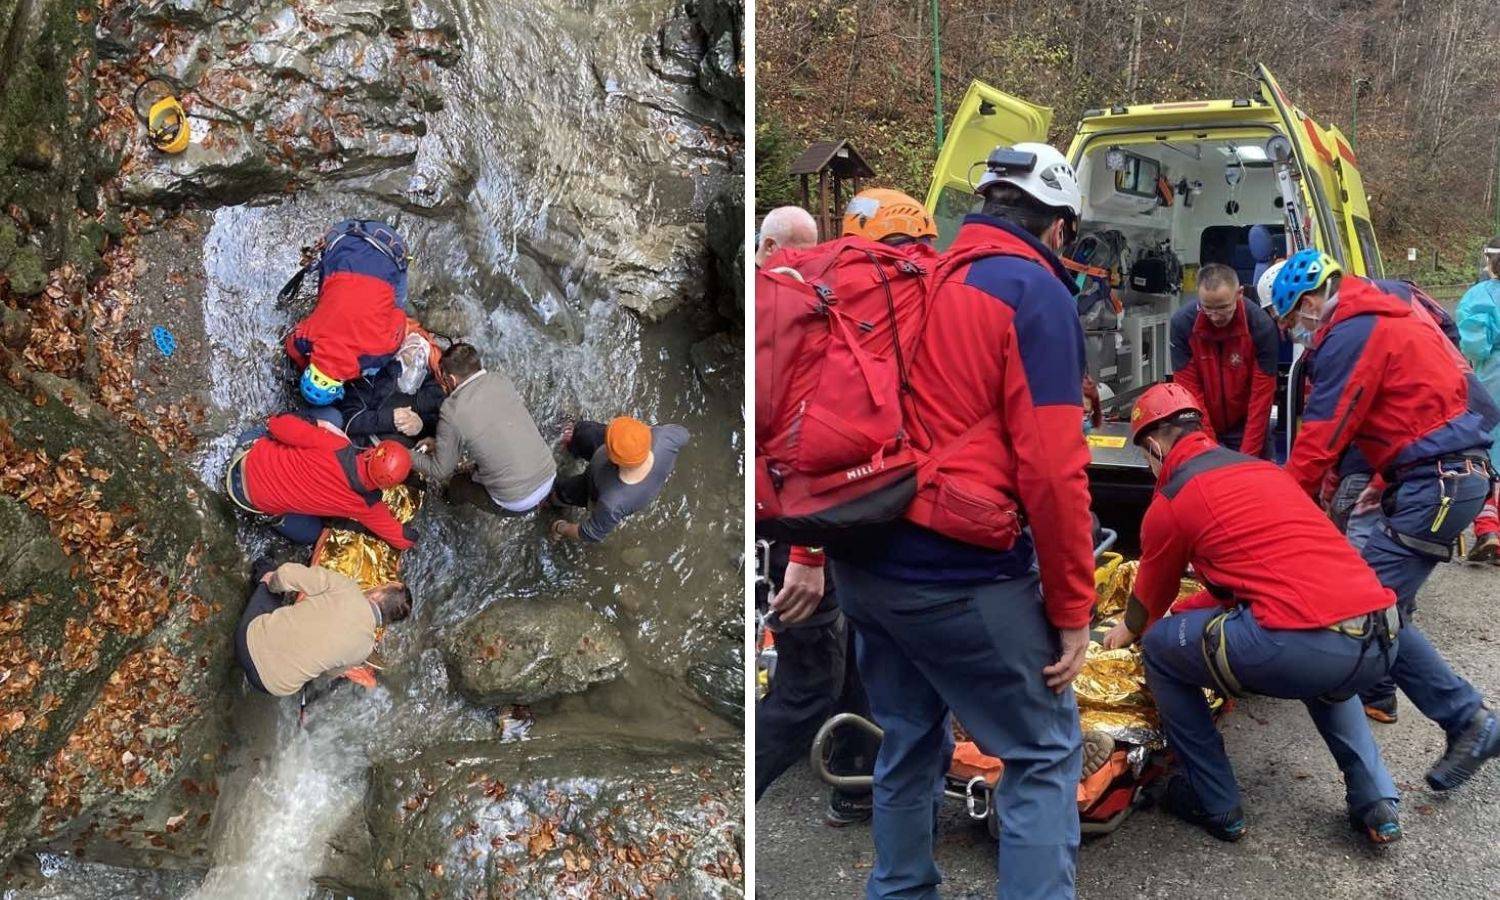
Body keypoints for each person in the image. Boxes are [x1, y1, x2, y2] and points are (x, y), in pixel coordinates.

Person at [827, 142, 1094, 900]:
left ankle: (899, 889)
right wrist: (1073, 608)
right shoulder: (1032, 292)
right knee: (1042, 755)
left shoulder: (914, 276)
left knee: (910, 739)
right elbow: (1051, 469)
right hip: (957, 575)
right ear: (1057, 228)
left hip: (866, 561)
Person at [1101, 383, 1402, 844]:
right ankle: (1376, 804)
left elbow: (1149, 597)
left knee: (1161, 649)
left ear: (1156, 444)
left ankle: (1215, 801)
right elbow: (1247, 583)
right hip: (1377, 634)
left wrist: (1128, 629)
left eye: (1145, 454)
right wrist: (1190, 608)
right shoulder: (1264, 471)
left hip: (1301, 646)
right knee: (1327, 668)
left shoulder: (1175, 497)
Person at [1272, 249, 1500, 790]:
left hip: (1436, 482)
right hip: (1434, 477)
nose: (1294, 334)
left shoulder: (1352, 332)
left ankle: (1468, 718)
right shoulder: (1387, 310)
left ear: (1308, 303)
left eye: (1290, 322)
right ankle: (1463, 717)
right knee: (1380, 607)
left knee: (1366, 609)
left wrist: (1270, 507)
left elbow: (1321, 437)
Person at [755, 542, 880, 826]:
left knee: (854, 635)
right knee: (807, 694)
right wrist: (807, 553)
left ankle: (856, 778)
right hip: (797, 541)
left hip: (837, 533)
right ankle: (740, 793)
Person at [226, 412, 416, 549]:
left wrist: (318, 424)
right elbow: (402, 539)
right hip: (247, 501)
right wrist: (414, 536)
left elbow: (277, 424)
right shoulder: (367, 506)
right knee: (313, 534)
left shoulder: (336, 445)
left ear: (371, 451)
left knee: (332, 418)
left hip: (244, 457)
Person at [409, 342, 555, 517]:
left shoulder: (452, 410)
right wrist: (441, 443)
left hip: (517, 500)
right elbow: (487, 429)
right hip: (548, 473)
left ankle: (449, 501)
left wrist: (406, 454)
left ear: (452, 379)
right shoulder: (500, 380)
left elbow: (441, 470)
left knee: (458, 483)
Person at [236, 559, 411, 697]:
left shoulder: (346, 587)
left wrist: (271, 581)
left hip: (249, 643)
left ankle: (259, 577)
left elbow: (286, 575)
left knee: (268, 570)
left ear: (379, 593)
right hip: (273, 686)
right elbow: (330, 672)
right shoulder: (365, 649)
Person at [285, 221, 411, 407]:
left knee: (398, 304)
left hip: (392, 249)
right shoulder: (307, 339)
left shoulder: (378, 354)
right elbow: (291, 346)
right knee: (328, 290)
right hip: (344, 235)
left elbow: (400, 318)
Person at [1168, 263, 1279, 457]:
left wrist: (1247, 458)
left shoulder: (1261, 327)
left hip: (1248, 426)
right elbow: (1190, 395)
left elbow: (1261, 399)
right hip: (1201, 425)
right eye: (1208, 308)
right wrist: (1210, 452)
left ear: (1239, 294)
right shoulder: (1183, 325)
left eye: (1223, 308)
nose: (1216, 316)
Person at [549, 416, 689, 543]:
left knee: (561, 493)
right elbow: (684, 434)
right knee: (586, 433)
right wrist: (634, 436)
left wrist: (561, 528)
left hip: (592, 487)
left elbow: (592, 532)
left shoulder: (611, 502)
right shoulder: (666, 438)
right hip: (628, 452)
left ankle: (551, 500)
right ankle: (573, 440)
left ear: (612, 458)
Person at [1456, 239, 1500, 562]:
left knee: (1485, 451)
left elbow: (1474, 347)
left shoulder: (1480, 297)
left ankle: (1487, 527)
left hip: (1491, 379)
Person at [337, 336, 446, 447]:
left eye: (421, 358)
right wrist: (389, 419)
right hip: (372, 446)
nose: (414, 365)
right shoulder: (373, 375)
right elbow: (349, 419)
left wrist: (421, 426)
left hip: (411, 452)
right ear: (398, 354)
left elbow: (443, 427)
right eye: (407, 357)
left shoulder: (431, 388)